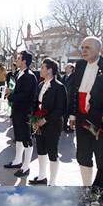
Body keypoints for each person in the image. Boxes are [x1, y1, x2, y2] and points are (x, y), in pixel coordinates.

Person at [68, 37, 103, 185]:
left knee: (100, 154)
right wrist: (72, 115)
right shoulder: (80, 64)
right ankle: (86, 184)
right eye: (82, 47)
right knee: (83, 153)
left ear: (99, 49)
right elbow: (74, 91)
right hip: (82, 117)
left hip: (98, 120)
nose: (84, 50)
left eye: (87, 47)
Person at [29, 58, 67, 186]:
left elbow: (61, 109)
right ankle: (41, 176)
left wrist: (45, 119)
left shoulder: (59, 87)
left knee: (52, 152)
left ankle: (52, 181)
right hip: (39, 123)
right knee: (40, 150)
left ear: (50, 70)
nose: (40, 70)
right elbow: (36, 103)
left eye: (42, 68)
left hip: (52, 124)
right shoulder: (41, 85)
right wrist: (34, 120)